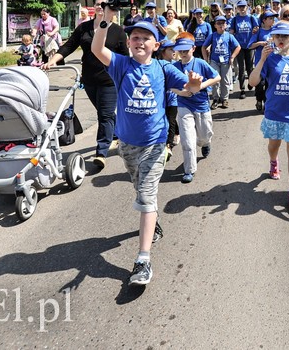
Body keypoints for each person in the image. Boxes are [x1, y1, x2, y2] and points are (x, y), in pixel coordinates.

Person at [91, 16, 202, 287]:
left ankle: (143, 259)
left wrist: (195, 85)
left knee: (147, 195)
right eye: (135, 38)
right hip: (127, 144)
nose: (140, 42)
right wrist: (103, 25)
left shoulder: (164, 68)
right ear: (129, 43)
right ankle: (154, 221)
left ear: (156, 44)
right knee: (140, 189)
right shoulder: (121, 65)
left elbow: (188, 87)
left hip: (155, 144)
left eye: (145, 38)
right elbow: (97, 50)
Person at [43, 0, 128, 169]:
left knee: (104, 116)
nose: (100, 7)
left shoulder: (118, 31)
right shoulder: (84, 28)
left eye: (104, 5)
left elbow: (125, 56)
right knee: (106, 113)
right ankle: (118, 132)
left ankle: (101, 152)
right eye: (98, 4)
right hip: (89, 79)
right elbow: (69, 46)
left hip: (109, 81)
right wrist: (53, 60)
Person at [248, 20, 289, 213]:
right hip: (274, 112)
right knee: (273, 145)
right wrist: (261, 60)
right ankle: (273, 162)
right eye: (278, 36)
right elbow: (252, 82)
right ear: (273, 38)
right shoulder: (269, 59)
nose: (281, 39)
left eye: (285, 36)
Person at [172, 35, 221, 183]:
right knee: (187, 139)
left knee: (204, 135)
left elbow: (217, 77)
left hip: (201, 105)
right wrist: (180, 92)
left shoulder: (200, 63)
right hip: (183, 105)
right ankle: (189, 170)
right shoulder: (174, 67)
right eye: (180, 51)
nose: (183, 53)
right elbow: (170, 85)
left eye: (186, 50)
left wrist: (201, 86)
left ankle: (206, 144)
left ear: (193, 49)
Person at [203, 15, 241, 109]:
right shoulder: (212, 36)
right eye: (218, 23)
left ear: (226, 24)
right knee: (215, 80)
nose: (221, 25)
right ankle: (215, 99)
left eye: (223, 23)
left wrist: (232, 57)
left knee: (225, 80)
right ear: (215, 25)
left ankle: (224, 99)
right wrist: (205, 59)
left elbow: (238, 47)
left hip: (225, 61)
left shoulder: (229, 36)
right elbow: (204, 47)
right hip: (214, 61)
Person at [249, 10, 277, 112]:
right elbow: (250, 45)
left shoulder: (275, 30)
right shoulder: (258, 31)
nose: (273, 20)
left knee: (269, 84)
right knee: (260, 84)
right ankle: (259, 99)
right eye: (270, 18)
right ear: (264, 20)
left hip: (272, 62)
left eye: (273, 18)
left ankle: (266, 103)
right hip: (261, 62)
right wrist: (260, 43)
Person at [231, 0, 259, 99]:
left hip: (250, 46)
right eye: (240, 7)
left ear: (247, 7)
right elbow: (232, 32)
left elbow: (257, 28)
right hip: (240, 47)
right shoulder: (235, 19)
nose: (242, 9)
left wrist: (255, 30)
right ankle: (242, 89)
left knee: (250, 67)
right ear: (237, 8)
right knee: (241, 68)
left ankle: (251, 83)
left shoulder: (251, 18)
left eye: (244, 7)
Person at [156, 39, 179, 162]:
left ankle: (168, 146)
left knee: (170, 120)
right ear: (163, 51)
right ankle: (175, 133)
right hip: (160, 100)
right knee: (164, 120)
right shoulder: (156, 64)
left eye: (174, 49)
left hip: (173, 98)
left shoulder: (176, 65)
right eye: (171, 49)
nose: (174, 51)